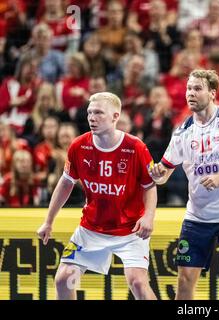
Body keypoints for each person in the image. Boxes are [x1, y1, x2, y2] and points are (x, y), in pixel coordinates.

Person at [150, 69, 219, 300]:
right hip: (197, 217)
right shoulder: (182, 130)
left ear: (212, 93)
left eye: (197, 88)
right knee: (184, 280)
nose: (191, 93)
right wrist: (157, 173)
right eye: (189, 89)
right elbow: (164, 176)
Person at [36, 92, 158, 300]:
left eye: (99, 113)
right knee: (64, 278)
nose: (92, 117)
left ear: (115, 116)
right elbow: (66, 183)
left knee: (138, 282)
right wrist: (48, 221)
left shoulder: (135, 147)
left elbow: (149, 186)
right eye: (89, 113)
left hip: (129, 232)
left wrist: (148, 217)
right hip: (90, 229)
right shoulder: (78, 145)